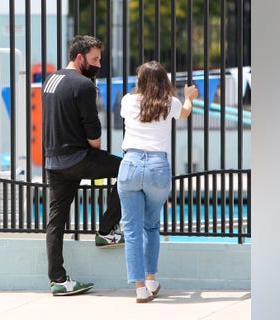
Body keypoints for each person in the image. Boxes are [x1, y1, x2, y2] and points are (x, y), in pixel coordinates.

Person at [42, 35, 125, 296]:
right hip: (78, 158)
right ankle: (106, 231)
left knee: (56, 220)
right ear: (80, 58)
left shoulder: (51, 80)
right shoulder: (84, 86)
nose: (99, 64)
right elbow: (95, 140)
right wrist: (92, 96)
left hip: (53, 160)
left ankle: (58, 279)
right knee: (128, 169)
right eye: (95, 59)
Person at [118, 61, 198, 303]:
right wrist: (188, 97)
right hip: (157, 167)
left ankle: (140, 288)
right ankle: (151, 279)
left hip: (130, 164)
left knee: (131, 231)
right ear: (164, 80)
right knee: (151, 226)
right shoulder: (169, 103)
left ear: (140, 80)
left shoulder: (127, 100)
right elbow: (185, 112)